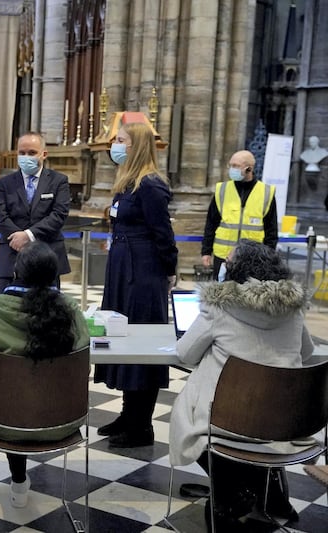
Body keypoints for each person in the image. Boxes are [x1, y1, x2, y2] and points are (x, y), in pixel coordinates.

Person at [169, 240, 312, 530]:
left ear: (238, 270)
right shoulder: (293, 309)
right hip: (283, 423)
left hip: (226, 422)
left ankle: (233, 488)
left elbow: (185, 353)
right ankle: (260, 485)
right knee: (250, 431)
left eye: (229, 262)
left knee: (192, 413)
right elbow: (306, 352)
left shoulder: (218, 307)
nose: (224, 266)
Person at [0, 241, 89, 508]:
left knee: (14, 404)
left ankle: (18, 480)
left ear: (17, 273)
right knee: (31, 402)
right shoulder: (71, 311)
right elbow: (83, 367)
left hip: (0, 422)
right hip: (60, 421)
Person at [93, 122, 178, 448]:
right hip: (123, 270)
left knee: (142, 344)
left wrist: (169, 270)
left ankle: (142, 425)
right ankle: (129, 414)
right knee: (124, 339)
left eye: (121, 140)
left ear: (138, 145)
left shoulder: (151, 185)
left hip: (143, 274)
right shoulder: (128, 183)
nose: (116, 144)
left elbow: (163, 234)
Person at [0, 131, 71, 293]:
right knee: (6, 308)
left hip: (47, 252)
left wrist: (28, 235)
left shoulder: (58, 181)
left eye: (32, 153)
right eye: (22, 153)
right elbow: (0, 216)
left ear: (44, 154)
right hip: (12, 251)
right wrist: (18, 237)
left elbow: (59, 215)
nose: (26, 157)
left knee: (46, 310)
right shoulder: (5, 182)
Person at [201, 149, 277, 280]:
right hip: (224, 256)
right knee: (221, 294)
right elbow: (211, 223)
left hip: (253, 258)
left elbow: (271, 229)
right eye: (231, 165)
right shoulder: (222, 190)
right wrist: (206, 251)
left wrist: (269, 257)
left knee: (249, 296)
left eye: (236, 166)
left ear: (249, 169)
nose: (232, 169)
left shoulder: (266, 192)